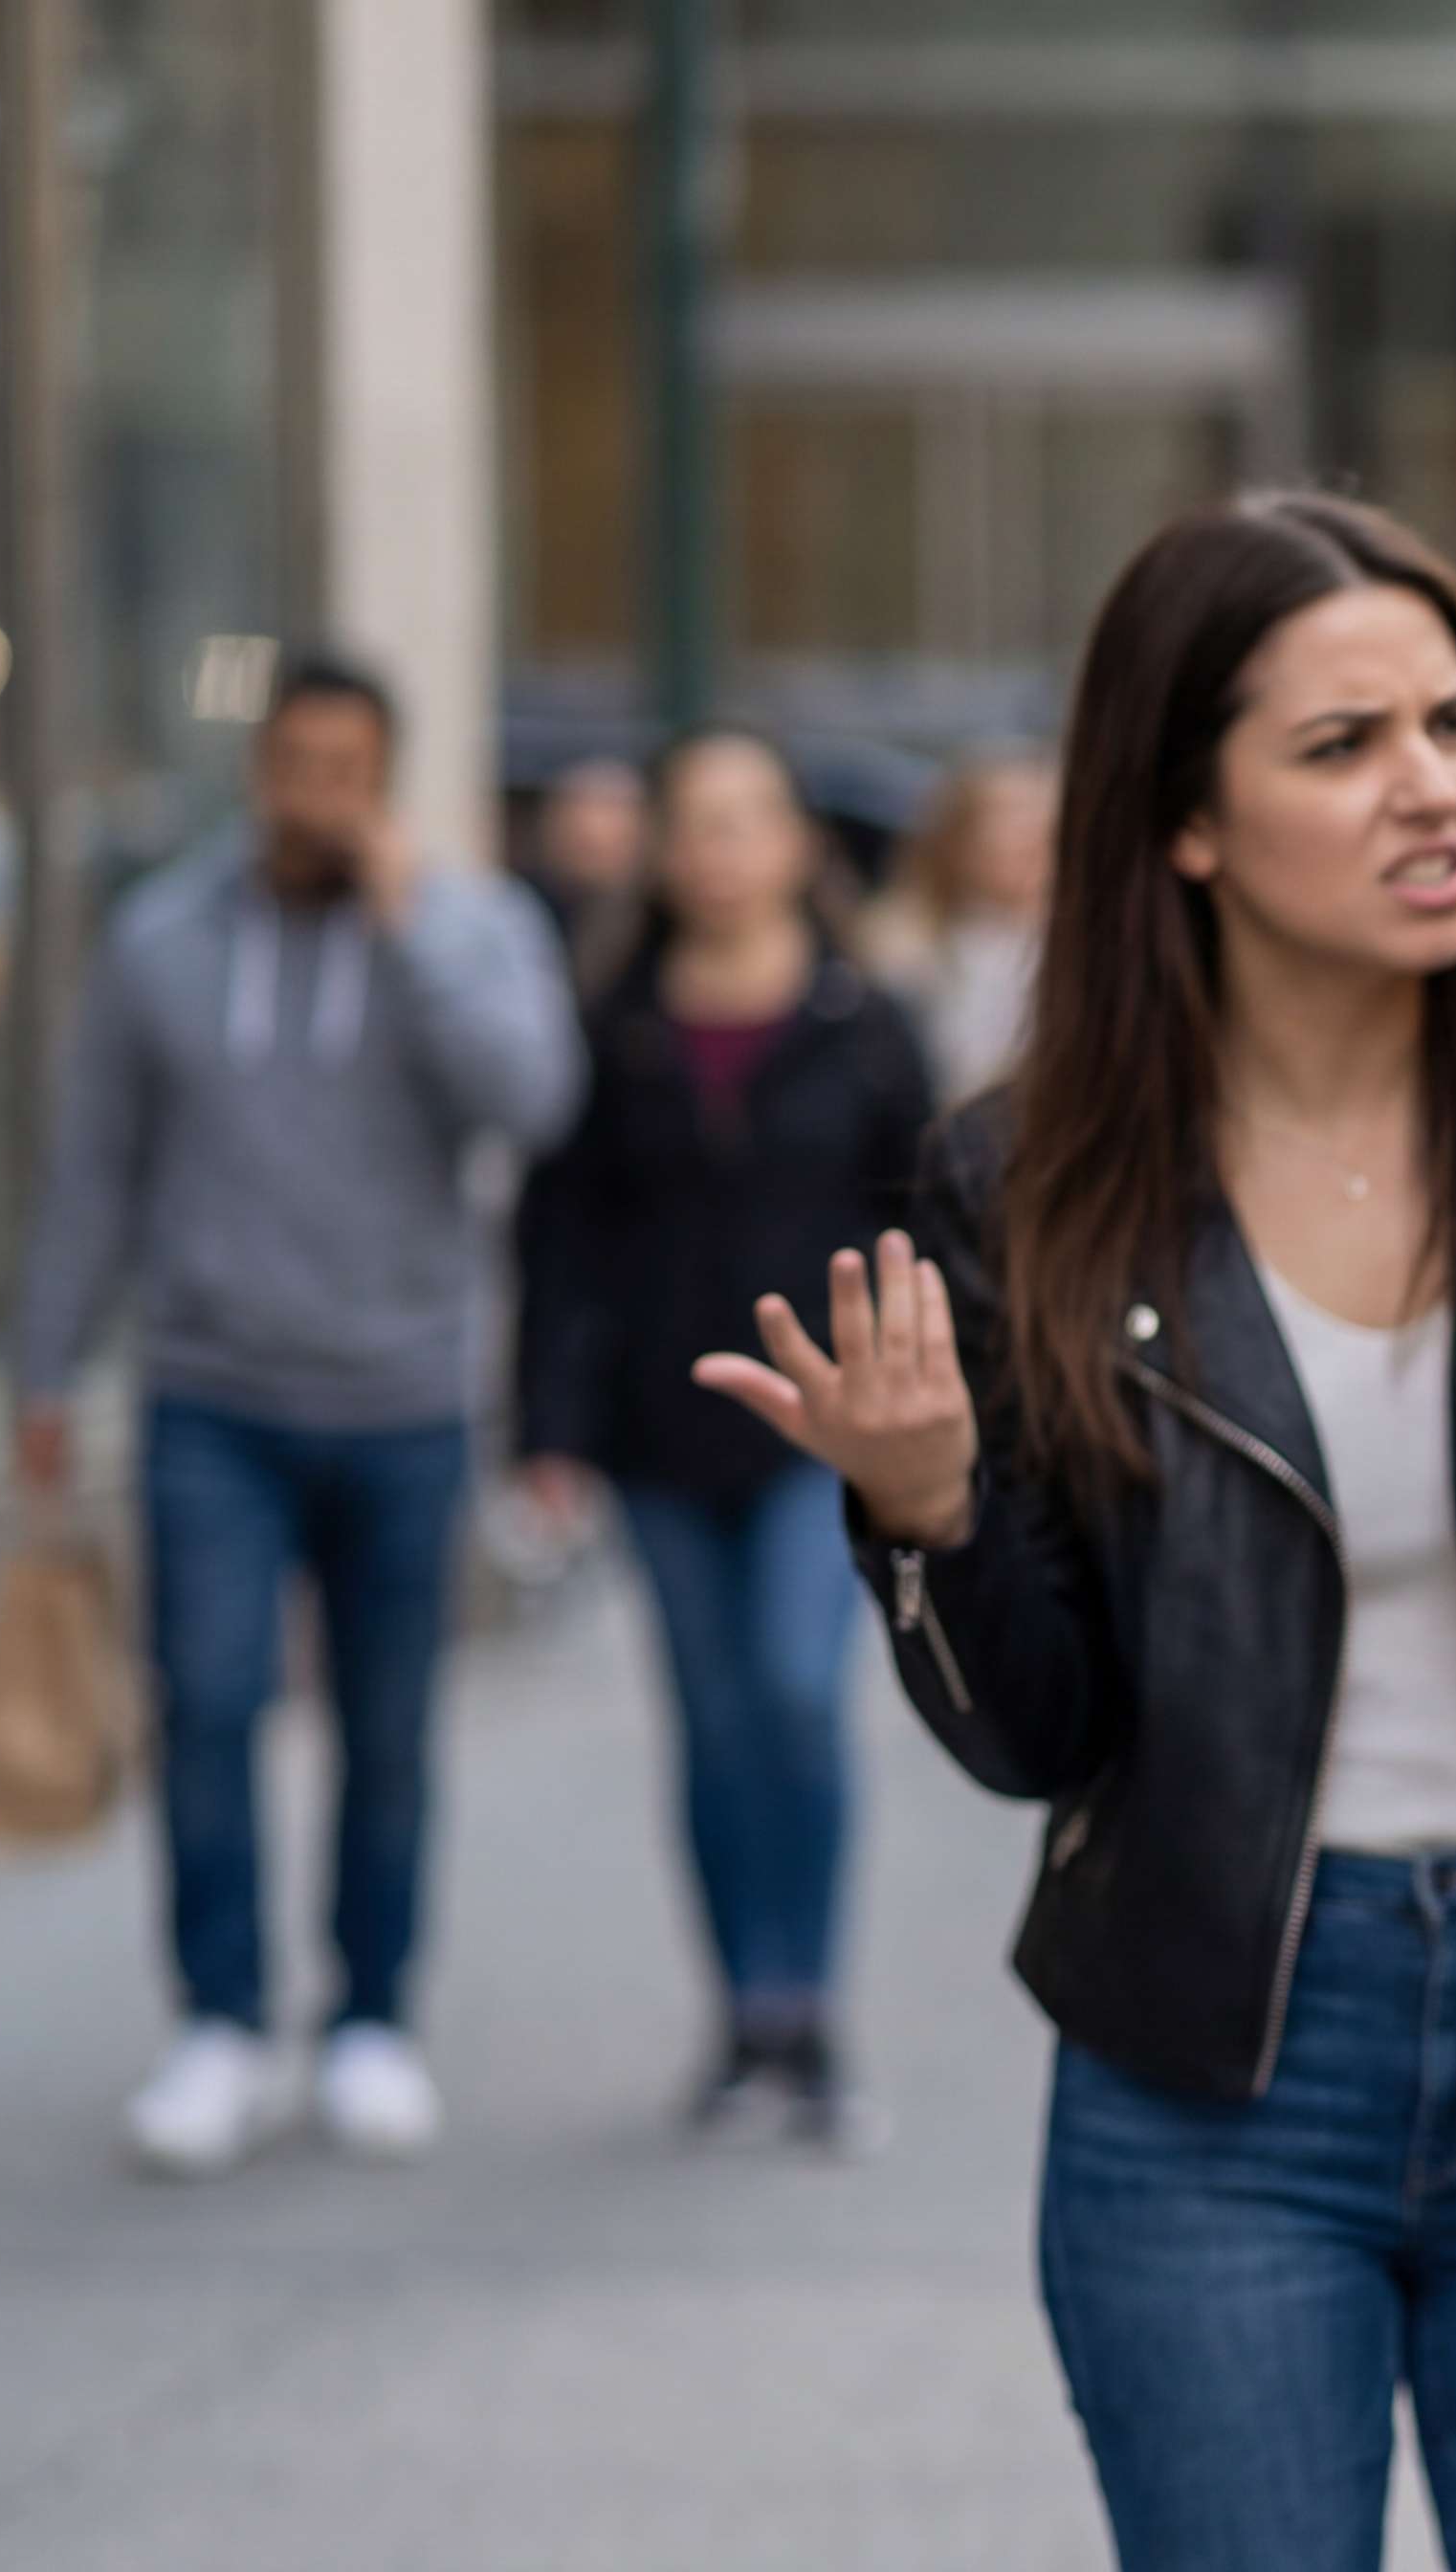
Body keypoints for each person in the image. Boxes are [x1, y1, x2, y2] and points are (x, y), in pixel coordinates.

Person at [699, 491, 1456, 2565]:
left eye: (1454, 724)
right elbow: (1038, 1728)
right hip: (1212, 2062)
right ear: (1186, 817)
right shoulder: (1031, 1180)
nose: (1434, 785)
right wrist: (925, 1513)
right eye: (1342, 745)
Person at [9, 652, 585, 2176]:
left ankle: (370, 2018)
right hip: (213, 1395)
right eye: (294, 768)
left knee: (387, 1732)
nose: (317, 799)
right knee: (206, 1703)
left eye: (348, 772)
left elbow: (533, 1104)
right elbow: (95, 1167)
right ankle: (220, 2020)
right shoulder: (162, 937)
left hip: (404, 1399)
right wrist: (46, 1367)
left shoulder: (470, 927)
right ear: (256, 771)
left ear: (385, 781)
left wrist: (412, 933)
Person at [512, 730, 942, 2148]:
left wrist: (936, 1405)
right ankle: (746, 2012)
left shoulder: (864, 1023)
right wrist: (548, 1428)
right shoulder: (612, 1026)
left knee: (796, 1693)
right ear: (661, 849)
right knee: (710, 1722)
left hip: (824, 1431)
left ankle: (809, 2005)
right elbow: (559, 1236)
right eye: (695, 821)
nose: (720, 849)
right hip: (659, 1430)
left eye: (748, 819)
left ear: (799, 846)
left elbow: (936, 1228)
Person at [865, 743, 1058, 1102]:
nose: (1028, 833)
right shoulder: (902, 946)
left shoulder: (1088, 947)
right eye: (1007, 816)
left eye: (1039, 815)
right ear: (957, 838)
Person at [519, 753, 651, 984]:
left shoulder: (661, 924)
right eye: (579, 841)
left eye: (604, 846)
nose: (590, 852)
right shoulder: (526, 912)